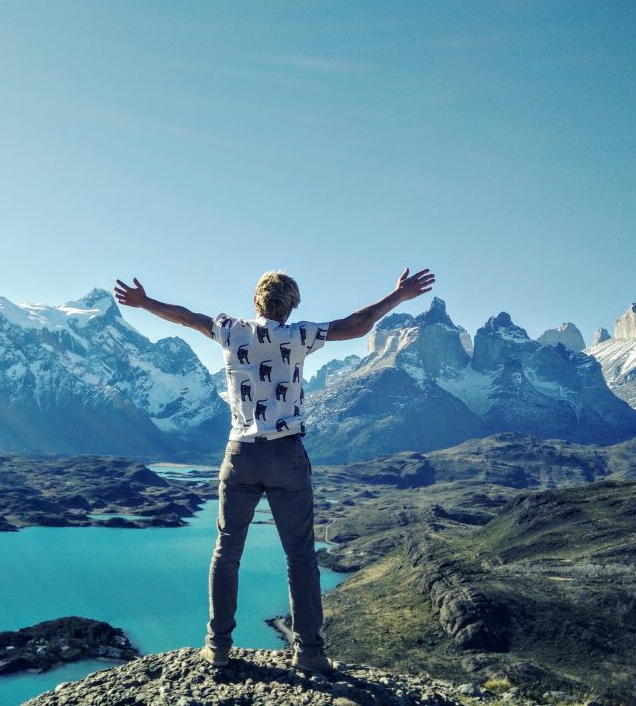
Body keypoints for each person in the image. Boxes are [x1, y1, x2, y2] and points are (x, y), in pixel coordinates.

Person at [113, 267, 436, 674]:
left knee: (227, 552)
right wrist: (398, 297)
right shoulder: (298, 335)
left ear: (256, 301)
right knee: (300, 556)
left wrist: (145, 304)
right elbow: (356, 326)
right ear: (292, 306)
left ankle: (218, 646)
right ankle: (309, 651)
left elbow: (186, 316)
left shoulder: (230, 330)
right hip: (286, 456)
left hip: (240, 454)